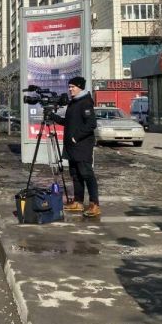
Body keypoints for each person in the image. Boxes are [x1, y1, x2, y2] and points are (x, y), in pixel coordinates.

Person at [50, 76, 100, 218]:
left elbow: (91, 124)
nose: (70, 89)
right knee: (75, 175)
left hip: (82, 146)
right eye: (69, 86)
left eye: (73, 87)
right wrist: (53, 116)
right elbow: (69, 122)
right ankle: (78, 202)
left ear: (80, 87)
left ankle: (94, 204)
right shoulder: (73, 103)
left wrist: (75, 137)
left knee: (87, 174)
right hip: (71, 147)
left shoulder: (85, 102)